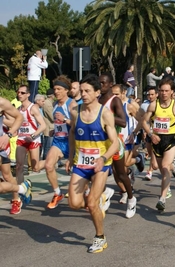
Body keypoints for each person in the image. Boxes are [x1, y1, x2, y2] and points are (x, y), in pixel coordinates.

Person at [66, 74, 119, 253]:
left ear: (97, 92)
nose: (84, 94)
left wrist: (103, 158)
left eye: (87, 91)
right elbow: (72, 133)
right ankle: (100, 199)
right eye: (81, 91)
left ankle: (100, 238)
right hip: (80, 164)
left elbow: (115, 142)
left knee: (91, 203)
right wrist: (70, 156)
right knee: (73, 203)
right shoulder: (75, 111)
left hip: (100, 165)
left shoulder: (105, 113)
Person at [99, 72, 137, 218]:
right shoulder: (97, 99)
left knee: (120, 173)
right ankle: (105, 192)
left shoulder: (114, 101)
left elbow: (123, 122)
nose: (101, 85)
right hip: (100, 143)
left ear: (110, 84)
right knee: (95, 172)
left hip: (115, 142)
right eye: (99, 83)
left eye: (103, 83)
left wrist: (107, 118)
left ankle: (131, 198)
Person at [142, 79, 175, 211]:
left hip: (170, 139)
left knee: (164, 167)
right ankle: (173, 167)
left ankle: (162, 198)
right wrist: (150, 134)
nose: (164, 93)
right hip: (157, 139)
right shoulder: (154, 105)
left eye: (166, 91)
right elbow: (144, 122)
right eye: (161, 91)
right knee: (161, 168)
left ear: (172, 92)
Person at [43, 76, 77, 209]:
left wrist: (65, 120)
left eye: (59, 89)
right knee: (48, 165)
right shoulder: (55, 104)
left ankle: (87, 194)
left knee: (78, 174)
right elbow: (57, 122)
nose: (56, 91)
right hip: (58, 141)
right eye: (55, 89)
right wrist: (55, 129)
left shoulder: (72, 104)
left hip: (72, 142)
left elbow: (77, 124)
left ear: (66, 90)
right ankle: (58, 193)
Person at [111, 84, 145, 203]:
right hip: (113, 141)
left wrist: (135, 132)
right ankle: (125, 192)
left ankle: (139, 159)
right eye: (112, 94)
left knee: (124, 163)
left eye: (116, 94)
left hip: (126, 140)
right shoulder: (109, 107)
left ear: (123, 93)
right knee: (115, 170)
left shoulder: (129, 106)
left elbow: (142, 119)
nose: (114, 97)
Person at [0, 96, 32, 214]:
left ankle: (16, 200)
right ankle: (21, 189)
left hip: (1, 146)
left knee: (7, 176)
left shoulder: (2, 102)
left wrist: (7, 135)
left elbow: (19, 117)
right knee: (7, 176)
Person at [15, 85, 46, 201]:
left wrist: (32, 136)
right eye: (18, 92)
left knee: (35, 167)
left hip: (33, 139)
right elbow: (18, 124)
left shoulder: (33, 108)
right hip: (22, 139)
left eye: (22, 93)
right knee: (18, 166)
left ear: (28, 94)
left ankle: (50, 161)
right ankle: (21, 191)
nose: (19, 94)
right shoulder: (18, 109)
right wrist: (14, 131)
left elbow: (43, 126)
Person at [42, 89, 55, 160]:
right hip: (49, 128)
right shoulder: (47, 103)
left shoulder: (50, 102)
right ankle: (45, 161)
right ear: (52, 95)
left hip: (50, 128)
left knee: (48, 146)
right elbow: (52, 117)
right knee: (48, 147)